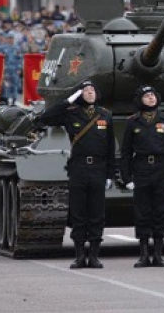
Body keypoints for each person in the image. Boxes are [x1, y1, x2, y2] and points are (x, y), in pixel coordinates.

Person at [33, 80, 115, 269]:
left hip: (98, 168)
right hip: (78, 168)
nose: (90, 93)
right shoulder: (71, 114)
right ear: (79, 95)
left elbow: (111, 148)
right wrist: (68, 100)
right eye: (85, 91)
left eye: (92, 90)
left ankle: (93, 256)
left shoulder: (105, 116)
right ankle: (79, 256)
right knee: (79, 213)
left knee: (96, 214)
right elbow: (45, 118)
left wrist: (110, 174)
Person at [120, 86, 164, 268]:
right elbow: (126, 152)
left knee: (160, 211)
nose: (151, 98)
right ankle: (144, 253)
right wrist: (127, 177)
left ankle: (159, 254)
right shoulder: (133, 122)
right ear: (140, 100)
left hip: (161, 168)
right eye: (147, 96)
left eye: (153, 95)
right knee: (142, 212)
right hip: (141, 168)